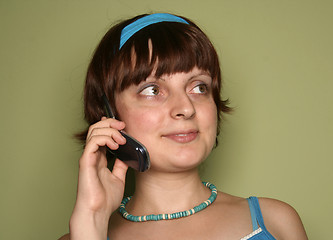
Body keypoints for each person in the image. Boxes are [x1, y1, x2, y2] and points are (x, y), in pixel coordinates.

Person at [59, 13, 308, 240]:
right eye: (153, 90)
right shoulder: (83, 235)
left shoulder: (277, 222)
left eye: (199, 87)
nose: (186, 108)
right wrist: (93, 221)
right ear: (109, 114)